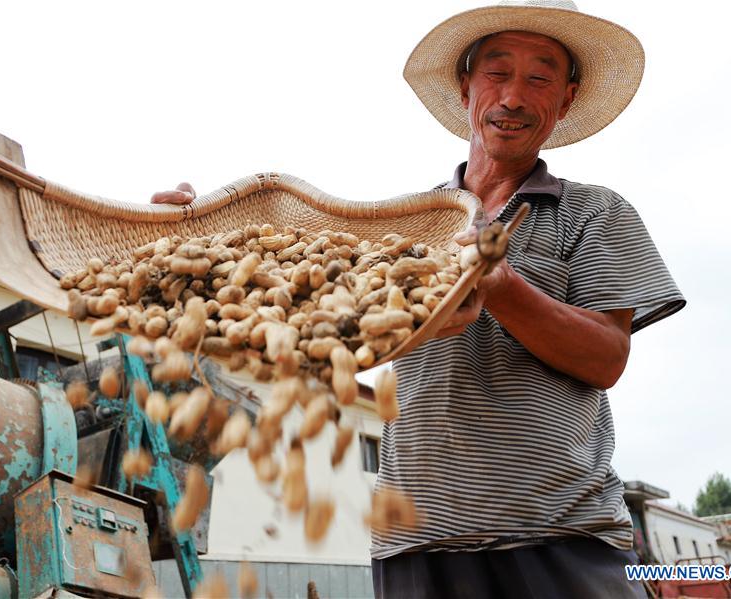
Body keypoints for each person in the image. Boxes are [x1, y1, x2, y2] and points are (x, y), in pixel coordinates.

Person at [153, 2, 685, 596]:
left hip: (560, 538)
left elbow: (606, 357)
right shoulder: (409, 229)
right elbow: (322, 332)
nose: (513, 96)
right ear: (465, 87)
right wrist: (194, 248)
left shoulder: (595, 213)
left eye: (539, 77)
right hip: (415, 545)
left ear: (565, 99)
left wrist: (501, 284)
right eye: (496, 72)